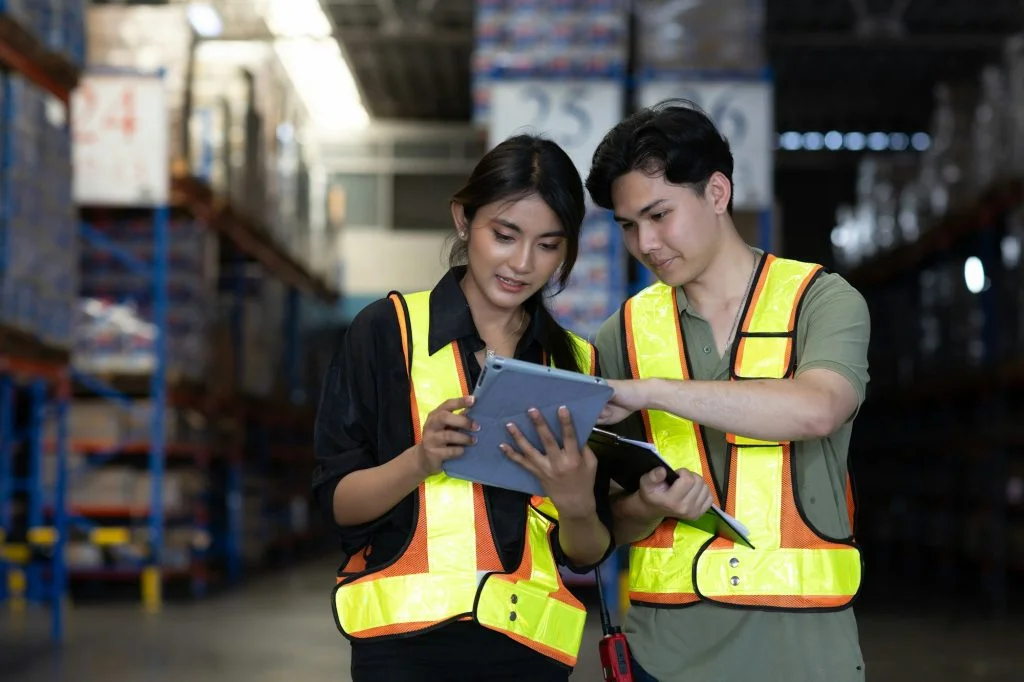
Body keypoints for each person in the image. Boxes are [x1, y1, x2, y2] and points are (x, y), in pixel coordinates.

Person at [584, 100, 871, 682]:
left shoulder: (822, 300)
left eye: (659, 215)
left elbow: (818, 409)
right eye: (629, 226)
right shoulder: (623, 333)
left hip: (807, 656)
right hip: (662, 657)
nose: (646, 243)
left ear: (718, 193)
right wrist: (646, 506)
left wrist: (652, 391)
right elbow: (600, 526)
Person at [312, 134, 616, 682]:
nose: (522, 263)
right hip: (401, 652)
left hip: (528, 652)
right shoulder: (386, 333)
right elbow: (338, 503)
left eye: (548, 245)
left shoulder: (575, 362)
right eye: (504, 235)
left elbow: (586, 552)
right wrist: (420, 460)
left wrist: (575, 504)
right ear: (462, 219)